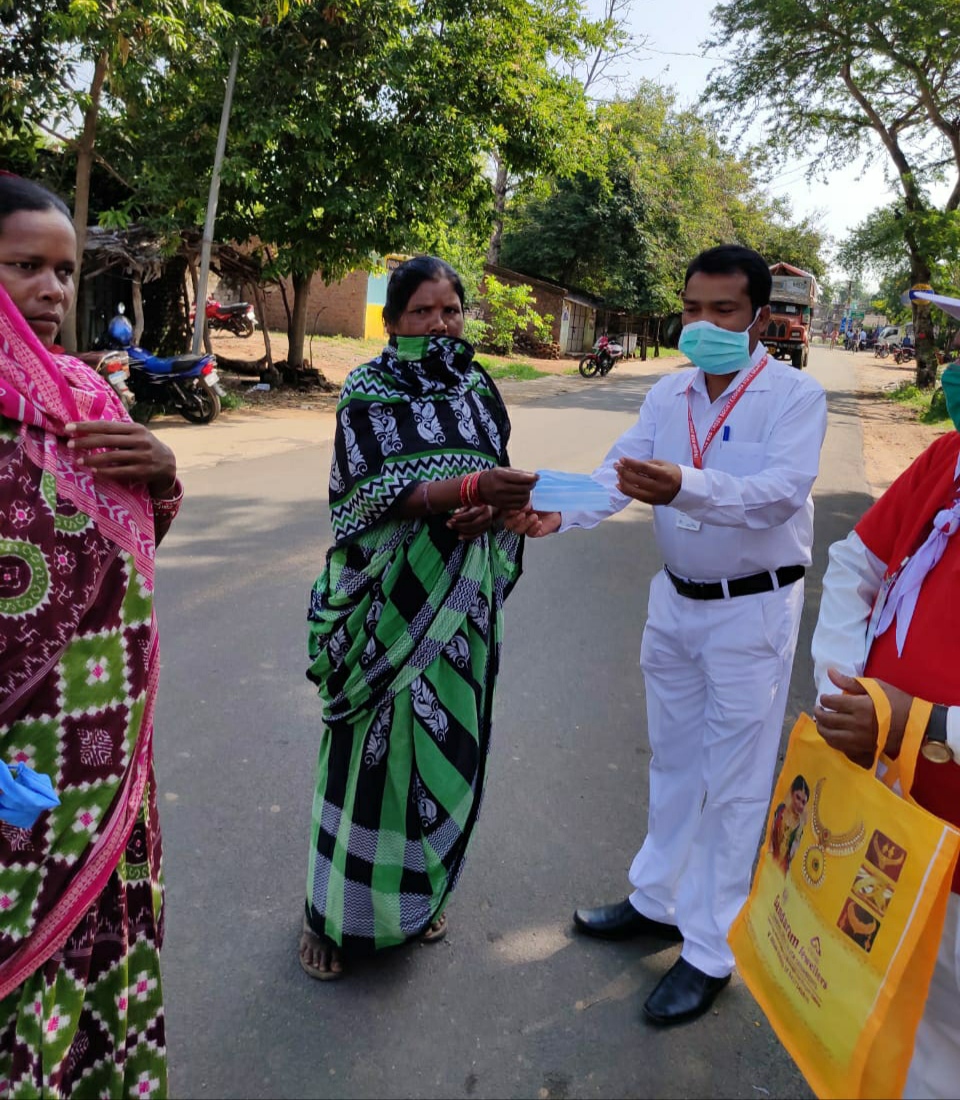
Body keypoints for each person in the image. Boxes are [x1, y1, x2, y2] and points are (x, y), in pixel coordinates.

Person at [506, 244, 828, 1025]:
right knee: (675, 760)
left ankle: (711, 948)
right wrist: (558, 513)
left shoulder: (793, 396)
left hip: (752, 611)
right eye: (692, 308)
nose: (703, 324)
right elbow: (618, 473)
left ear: (760, 318)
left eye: (723, 310)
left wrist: (688, 484)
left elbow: (780, 493)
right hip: (676, 603)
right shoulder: (670, 393)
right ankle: (658, 899)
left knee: (735, 780)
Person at [298, 255, 538, 980]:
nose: (439, 324)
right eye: (422, 312)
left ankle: (419, 894)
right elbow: (365, 495)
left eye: (451, 310)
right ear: (393, 321)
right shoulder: (368, 391)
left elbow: (497, 474)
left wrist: (493, 509)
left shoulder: (479, 387)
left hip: (459, 606)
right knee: (368, 762)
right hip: (386, 608)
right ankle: (332, 916)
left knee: (443, 753)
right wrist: (462, 490)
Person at [0, 175, 181, 1091]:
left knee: (97, 955)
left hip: (107, 751)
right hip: (16, 766)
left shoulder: (86, 394)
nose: (53, 289)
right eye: (24, 266)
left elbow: (125, 544)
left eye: (65, 271)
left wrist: (163, 469)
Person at [812, 357, 960, 1099]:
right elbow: (857, 561)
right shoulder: (949, 459)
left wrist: (925, 724)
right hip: (896, 824)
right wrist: (846, 686)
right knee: (898, 1020)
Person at [768, 774, 809, 874]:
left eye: (803, 802)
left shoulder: (800, 827)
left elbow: (792, 856)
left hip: (782, 872)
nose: (800, 805)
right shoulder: (781, 810)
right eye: (798, 797)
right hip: (768, 861)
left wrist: (800, 828)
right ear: (791, 793)